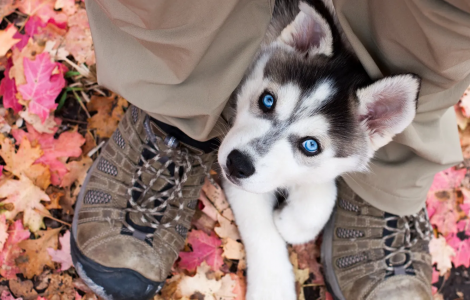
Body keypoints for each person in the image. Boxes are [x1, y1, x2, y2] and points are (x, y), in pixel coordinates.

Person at [70, 0, 470, 299]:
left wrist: (318, 191)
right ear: (296, 38)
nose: (250, 149)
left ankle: (388, 186)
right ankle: (175, 104)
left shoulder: (363, 125)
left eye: (310, 145)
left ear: (377, 127)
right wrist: (266, 250)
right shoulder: (288, 51)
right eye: (267, 103)